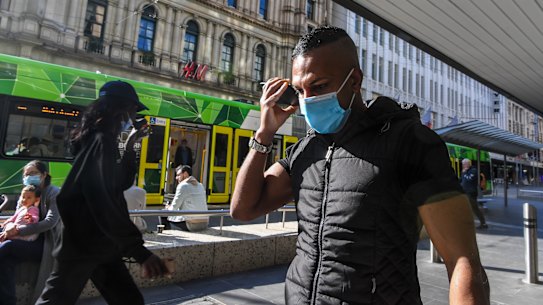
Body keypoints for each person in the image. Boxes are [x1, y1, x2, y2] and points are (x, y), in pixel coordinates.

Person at [231, 26, 489, 305]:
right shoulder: (305, 150)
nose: (307, 101)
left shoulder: (409, 143)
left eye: (318, 87)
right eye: (299, 91)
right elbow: (244, 208)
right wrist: (264, 134)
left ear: (354, 81)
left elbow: (463, 261)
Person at [36, 81, 170, 305]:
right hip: (84, 244)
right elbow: (104, 201)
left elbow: (119, 184)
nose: (132, 117)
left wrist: (130, 145)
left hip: (99, 244)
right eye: (132, 111)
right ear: (120, 109)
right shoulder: (101, 141)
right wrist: (139, 252)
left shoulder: (96, 139)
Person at [0, 160, 61, 305]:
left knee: (8, 245)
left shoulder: (54, 192)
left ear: (44, 175)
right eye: (26, 174)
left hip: (45, 244)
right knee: (5, 262)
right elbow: (17, 218)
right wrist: (9, 226)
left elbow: (50, 222)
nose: (28, 177)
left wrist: (18, 231)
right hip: (23, 240)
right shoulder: (26, 193)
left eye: (33, 173)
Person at [162, 165, 208, 232]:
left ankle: (168, 238)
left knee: (163, 214)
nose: (176, 178)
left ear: (185, 174)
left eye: (178, 175)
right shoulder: (200, 185)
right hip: (204, 223)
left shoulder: (183, 186)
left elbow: (173, 209)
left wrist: (168, 207)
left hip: (191, 224)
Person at [461, 158, 488, 229]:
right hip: (465, 193)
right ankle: (468, 222)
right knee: (467, 208)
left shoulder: (473, 171)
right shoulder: (465, 171)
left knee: (475, 209)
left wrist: (464, 172)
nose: (463, 165)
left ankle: (483, 223)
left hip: (471, 193)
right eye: (463, 164)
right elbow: (462, 181)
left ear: (468, 164)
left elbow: (468, 179)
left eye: (464, 164)